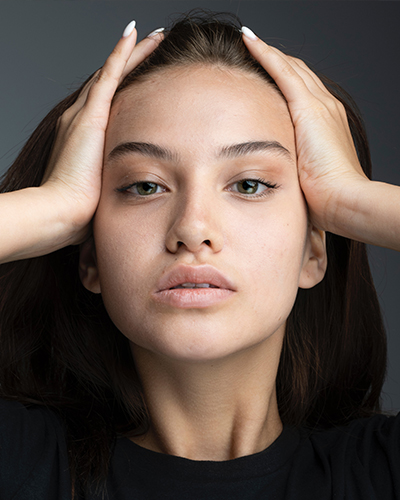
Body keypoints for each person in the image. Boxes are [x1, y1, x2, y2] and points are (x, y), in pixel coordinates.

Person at [0, 10, 399, 500]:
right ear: (89, 257)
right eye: (145, 186)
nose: (192, 228)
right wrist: (50, 206)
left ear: (313, 251)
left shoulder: (381, 474)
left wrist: (350, 197)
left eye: (249, 184)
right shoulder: (20, 465)